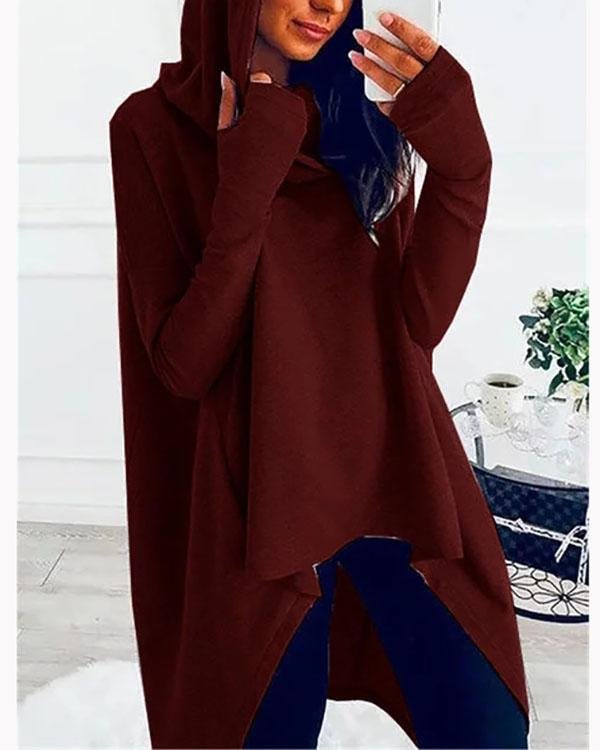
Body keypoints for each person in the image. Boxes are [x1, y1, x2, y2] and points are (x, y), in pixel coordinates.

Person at [109, 1, 531, 747]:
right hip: (260, 510)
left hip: (394, 477)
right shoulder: (151, 126)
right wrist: (247, 181)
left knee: (488, 730)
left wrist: (466, 168)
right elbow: (183, 364)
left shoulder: (364, 115)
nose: (328, 5)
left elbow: (416, 326)